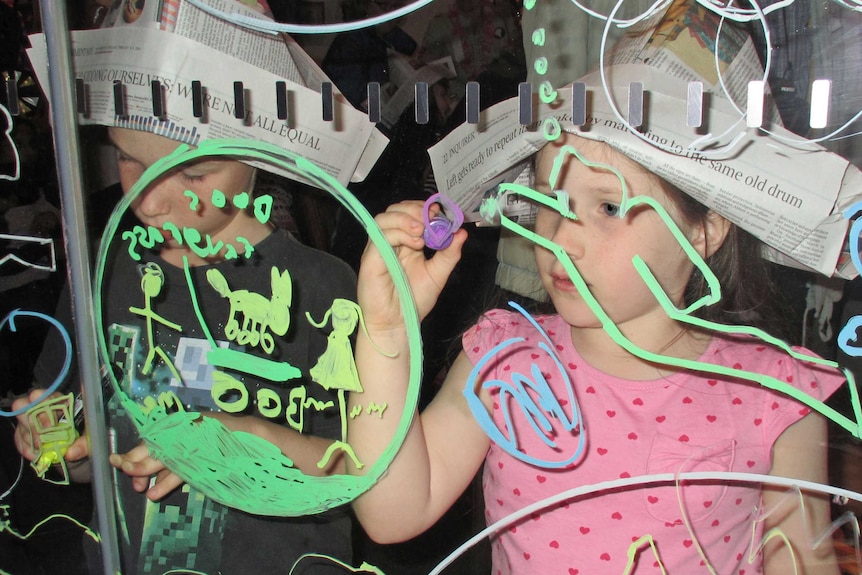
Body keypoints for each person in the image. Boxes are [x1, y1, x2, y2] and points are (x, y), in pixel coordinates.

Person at [348, 130, 846, 573]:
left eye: (608, 207)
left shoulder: (776, 395)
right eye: (550, 202)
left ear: (704, 230)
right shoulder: (506, 356)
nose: (562, 237)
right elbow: (391, 513)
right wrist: (387, 334)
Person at [13, 127, 356, 574]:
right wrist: (60, 446)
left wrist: (251, 440)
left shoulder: (321, 287)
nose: (149, 202)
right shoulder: (102, 274)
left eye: (192, 174)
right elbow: (98, 463)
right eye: (128, 158)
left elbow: (357, 474)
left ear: (259, 154)